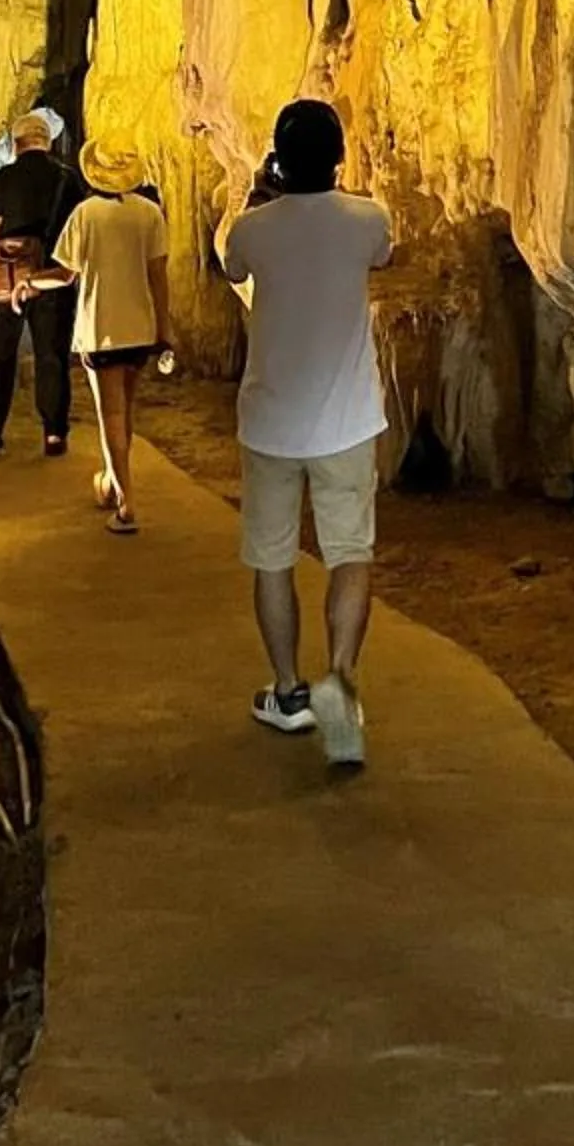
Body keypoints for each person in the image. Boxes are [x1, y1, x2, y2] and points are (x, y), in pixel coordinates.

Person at [221, 98, 393, 768]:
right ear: (339, 157)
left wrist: (261, 197)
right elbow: (382, 253)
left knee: (272, 559)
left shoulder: (254, 228)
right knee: (350, 552)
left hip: (271, 424)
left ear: (277, 158)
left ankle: (289, 691)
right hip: (348, 421)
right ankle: (341, 685)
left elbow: (232, 267)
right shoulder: (366, 218)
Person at [58, 167, 172, 533]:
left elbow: (65, 273)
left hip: (101, 327)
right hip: (140, 327)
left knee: (111, 415)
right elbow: (158, 276)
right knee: (125, 410)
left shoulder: (86, 213)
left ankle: (127, 504)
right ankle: (109, 481)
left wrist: (27, 282)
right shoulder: (149, 213)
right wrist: (164, 327)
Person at [0, 111, 84, 457]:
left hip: (8, 278)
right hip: (53, 278)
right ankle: (53, 432)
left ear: (17, 144)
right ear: (47, 143)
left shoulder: (7, 177)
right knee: (52, 355)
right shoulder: (68, 179)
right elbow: (77, 234)